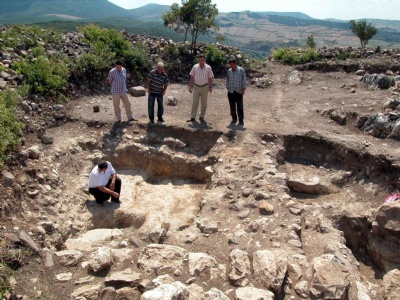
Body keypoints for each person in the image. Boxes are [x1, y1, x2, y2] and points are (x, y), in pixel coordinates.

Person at [188, 54, 214, 123]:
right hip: (196, 87)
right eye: (199, 60)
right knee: (195, 102)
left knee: (204, 103)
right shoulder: (195, 67)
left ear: (205, 60)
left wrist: (210, 87)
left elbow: (210, 77)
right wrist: (190, 86)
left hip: (205, 87)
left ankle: (201, 116)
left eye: (202, 60)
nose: (200, 61)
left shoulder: (208, 68)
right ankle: (193, 117)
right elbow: (192, 77)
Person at [226, 57, 247, 126]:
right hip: (231, 91)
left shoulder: (241, 70)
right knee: (232, 106)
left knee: (239, 106)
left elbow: (244, 80)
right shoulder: (229, 71)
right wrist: (228, 87)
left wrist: (243, 89)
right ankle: (234, 119)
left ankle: (241, 120)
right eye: (230, 65)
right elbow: (227, 79)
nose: (231, 66)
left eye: (232, 64)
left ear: (235, 64)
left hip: (238, 91)